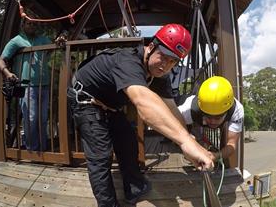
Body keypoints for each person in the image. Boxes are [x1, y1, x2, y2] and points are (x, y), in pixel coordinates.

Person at [72, 24, 213, 206]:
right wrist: (185, 142)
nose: (165, 65)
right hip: (86, 102)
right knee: (101, 156)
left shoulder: (160, 75)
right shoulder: (128, 61)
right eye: (163, 56)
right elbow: (144, 103)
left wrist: (189, 137)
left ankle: (135, 187)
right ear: (151, 46)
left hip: (110, 106)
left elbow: (171, 107)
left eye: (173, 62)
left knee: (129, 142)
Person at [0, 17, 52, 151]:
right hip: (27, 86)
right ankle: (32, 151)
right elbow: (1, 61)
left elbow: (53, 48)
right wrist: (8, 74)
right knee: (31, 118)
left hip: (44, 84)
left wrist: (60, 42)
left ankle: (43, 150)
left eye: (34, 23)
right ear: (23, 25)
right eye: (29, 23)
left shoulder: (42, 39)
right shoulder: (17, 40)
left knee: (43, 119)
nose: (32, 25)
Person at [178, 76, 244, 163]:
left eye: (218, 117)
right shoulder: (187, 109)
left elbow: (231, 144)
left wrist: (214, 156)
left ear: (227, 111)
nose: (212, 121)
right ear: (201, 109)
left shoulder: (237, 110)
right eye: (208, 116)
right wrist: (187, 138)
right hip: (190, 119)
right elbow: (170, 126)